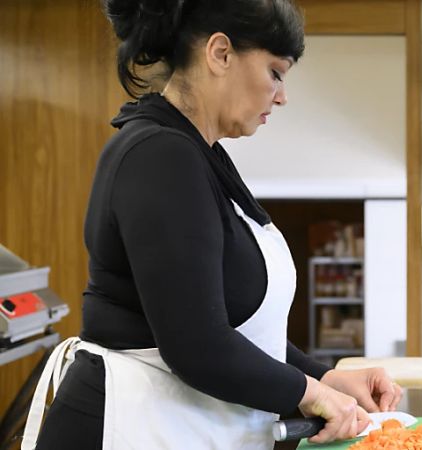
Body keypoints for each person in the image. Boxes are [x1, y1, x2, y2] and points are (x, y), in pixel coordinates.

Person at [21, 0, 402, 448]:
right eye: (275, 73)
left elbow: (240, 328)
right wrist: (309, 392)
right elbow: (197, 344)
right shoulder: (160, 156)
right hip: (125, 427)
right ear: (220, 53)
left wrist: (330, 377)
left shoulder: (200, 154)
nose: (282, 96)